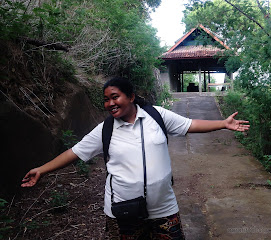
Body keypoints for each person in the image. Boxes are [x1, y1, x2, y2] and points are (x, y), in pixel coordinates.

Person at [21, 77, 250, 239]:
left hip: (163, 207)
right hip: (122, 211)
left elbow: (190, 125)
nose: (110, 103)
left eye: (115, 97)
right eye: (106, 99)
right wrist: (42, 169)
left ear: (130, 96)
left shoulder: (156, 115)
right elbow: (74, 153)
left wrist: (223, 124)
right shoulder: (105, 129)